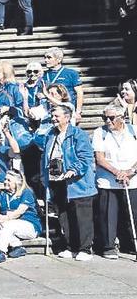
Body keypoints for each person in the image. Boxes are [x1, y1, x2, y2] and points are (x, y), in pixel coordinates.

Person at [42, 103, 96, 260]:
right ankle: (70, 246)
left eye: (56, 116)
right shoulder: (50, 135)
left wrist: (73, 170)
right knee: (64, 216)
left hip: (78, 183)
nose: (53, 119)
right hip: (57, 181)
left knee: (82, 217)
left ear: (67, 117)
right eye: (52, 116)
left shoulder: (78, 134)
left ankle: (85, 249)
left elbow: (86, 157)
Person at [93, 102, 137, 259]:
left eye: (111, 118)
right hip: (108, 181)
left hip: (132, 180)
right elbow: (100, 158)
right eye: (104, 117)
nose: (107, 121)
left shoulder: (134, 131)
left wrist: (130, 172)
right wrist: (117, 172)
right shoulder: (100, 132)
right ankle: (108, 246)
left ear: (122, 117)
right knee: (108, 216)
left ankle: (131, 245)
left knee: (133, 214)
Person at [0, 171, 41, 263]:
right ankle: (17, 246)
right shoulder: (1, 193)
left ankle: (0, 251)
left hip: (29, 225)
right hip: (9, 225)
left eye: (9, 180)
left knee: (8, 225)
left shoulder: (26, 192)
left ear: (17, 182)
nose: (5, 182)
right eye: (5, 179)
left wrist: (4, 218)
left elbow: (19, 212)